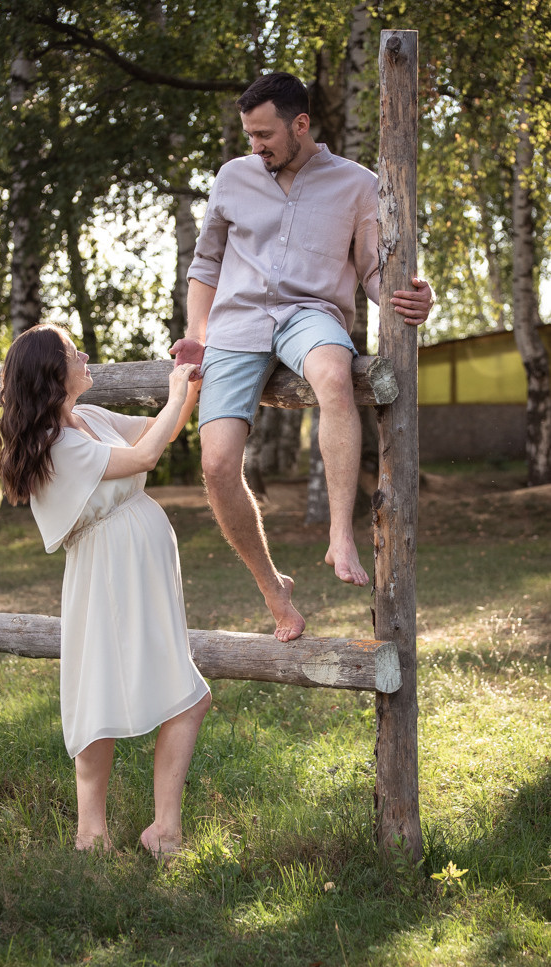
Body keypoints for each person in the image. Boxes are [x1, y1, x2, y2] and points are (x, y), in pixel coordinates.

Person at [171, 71, 434, 643]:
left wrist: (415, 290)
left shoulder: (358, 184)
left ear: (301, 124)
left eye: (264, 134)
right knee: (216, 466)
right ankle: (274, 590)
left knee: (335, 377)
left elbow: (373, 270)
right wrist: (198, 333)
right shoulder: (232, 178)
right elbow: (206, 264)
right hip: (236, 323)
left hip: (310, 313)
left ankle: (340, 533)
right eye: (248, 135)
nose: (255, 146)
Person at [0, 323, 211, 860]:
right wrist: (179, 390)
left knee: (177, 693)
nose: (85, 355)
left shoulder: (87, 419)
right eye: (74, 353)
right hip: (107, 569)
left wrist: (188, 389)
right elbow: (143, 459)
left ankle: (161, 829)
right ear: (53, 373)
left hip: (140, 566)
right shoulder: (57, 444)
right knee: (104, 693)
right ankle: (96, 834)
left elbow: (156, 430)